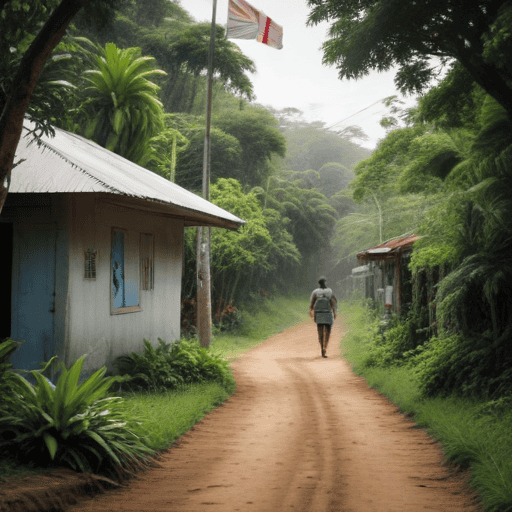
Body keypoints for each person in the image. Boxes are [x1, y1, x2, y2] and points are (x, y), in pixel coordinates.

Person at [309, 276, 337, 358]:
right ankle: (325, 347)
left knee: (320, 332)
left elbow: (312, 303)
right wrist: (334, 312)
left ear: (319, 284)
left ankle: (322, 347)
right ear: (325, 283)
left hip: (319, 313)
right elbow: (333, 302)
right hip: (328, 312)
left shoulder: (315, 292)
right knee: (327, 331)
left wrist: (311, 311)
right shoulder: (329, 291)